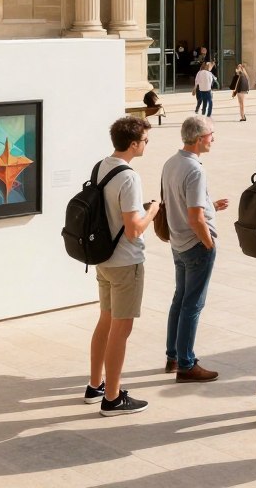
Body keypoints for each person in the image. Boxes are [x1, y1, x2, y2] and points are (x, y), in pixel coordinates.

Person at [85, 116, 159, 416]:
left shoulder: (102, 165)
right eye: (145, 140)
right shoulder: (129, 177)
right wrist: (152, 210)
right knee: (121, 329)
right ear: (133, 144)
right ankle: (113, 398)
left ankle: (95, 386)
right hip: (126, 262)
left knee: (105, 321)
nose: (146, 144)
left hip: (102, 258)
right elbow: (134, 229)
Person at [162, 115, 229, 383]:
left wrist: (212, 205)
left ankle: (173, 356)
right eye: (212, 134)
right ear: (200, 138)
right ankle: (187, 364)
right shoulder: (195, 170)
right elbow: (195, 217)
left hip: (178, 243)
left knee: (180, 299)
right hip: (195, 244)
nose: (214, 138)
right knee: (193, 303)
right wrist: (209, 242)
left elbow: (178, 201)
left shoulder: (171, 163)